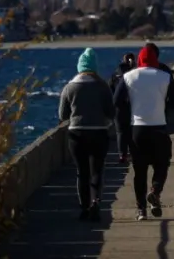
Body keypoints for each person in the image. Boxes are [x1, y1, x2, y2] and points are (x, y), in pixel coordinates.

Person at [114, 43, 174, 222]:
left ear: (139, 59)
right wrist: (164, 109)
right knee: (162, 163)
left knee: (139, 171)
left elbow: (117, 100)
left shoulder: (129, 76)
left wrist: (130, 111)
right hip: (159, 126)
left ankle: (141, 210)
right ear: (155, 59)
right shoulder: (164, 76)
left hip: (137, 129)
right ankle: (155, 191)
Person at [58, 48, 115, 221]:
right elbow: (111, 112)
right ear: (95, 67)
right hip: (99, 133)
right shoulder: (103, 86)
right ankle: (96, 201)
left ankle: (84, 207)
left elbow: (63, 115)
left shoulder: (69, 87)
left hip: (77, 135)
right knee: (97, 170)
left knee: (82, 172)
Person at [108, 52, 136, 164]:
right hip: (131, 107)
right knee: (131, 132)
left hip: (118, 107)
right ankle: (133, 154)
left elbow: (110, 88)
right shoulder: (133, 74)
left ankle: (122, 155)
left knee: (120, 132)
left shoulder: (115, 74)